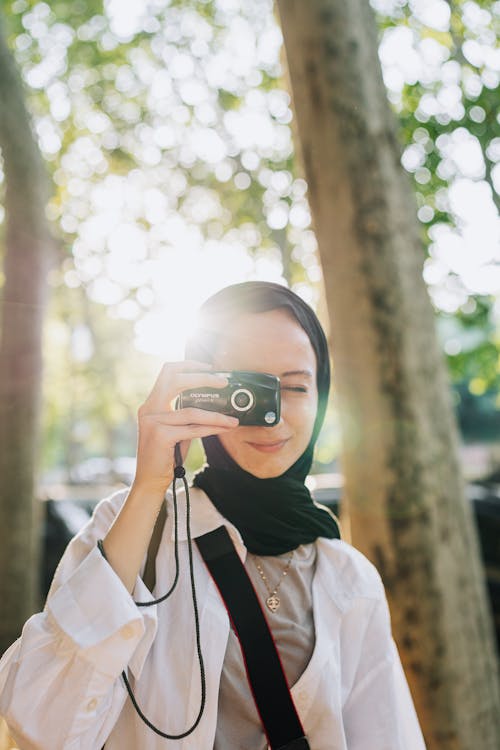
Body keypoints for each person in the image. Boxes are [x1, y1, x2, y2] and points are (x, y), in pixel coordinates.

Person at [0, 281, 427, 749]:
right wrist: (148, 487)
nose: (271, 414)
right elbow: (37, 725)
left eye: (296, 386)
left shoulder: (348, 576)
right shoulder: (133, 527)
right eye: (248, 389)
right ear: (202, 390)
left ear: (322, 395)